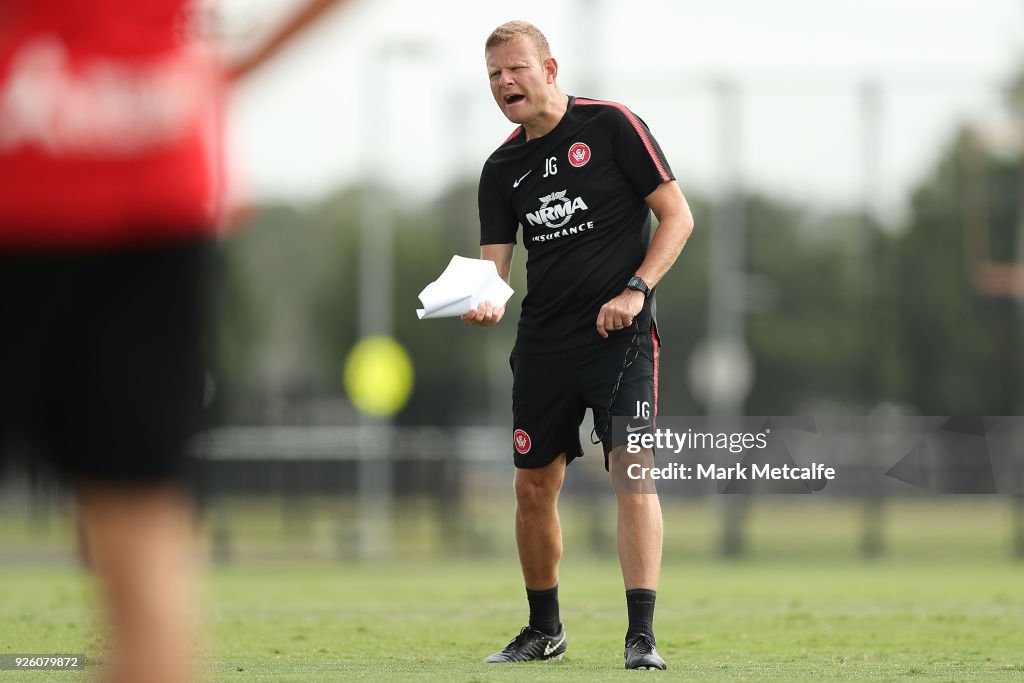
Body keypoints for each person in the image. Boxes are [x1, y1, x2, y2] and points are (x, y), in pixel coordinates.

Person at [0, 1, 346, 681]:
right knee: (141, 531)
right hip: (134, 177)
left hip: (138, 201)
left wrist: (217, 76)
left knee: (138, 529)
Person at [463, 20, 694, 671]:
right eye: (494, 76)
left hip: (620, 339)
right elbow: (495, 274)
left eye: (516, 69)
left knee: (632, 473)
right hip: (544, 347)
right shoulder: (501, 168)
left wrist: (636, 289)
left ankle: (641, 635)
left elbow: (678, 216)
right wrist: (483, 300)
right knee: (532, 489)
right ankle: (545, 630)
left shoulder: (613, 125)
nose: (506, 83)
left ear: (550, 68)